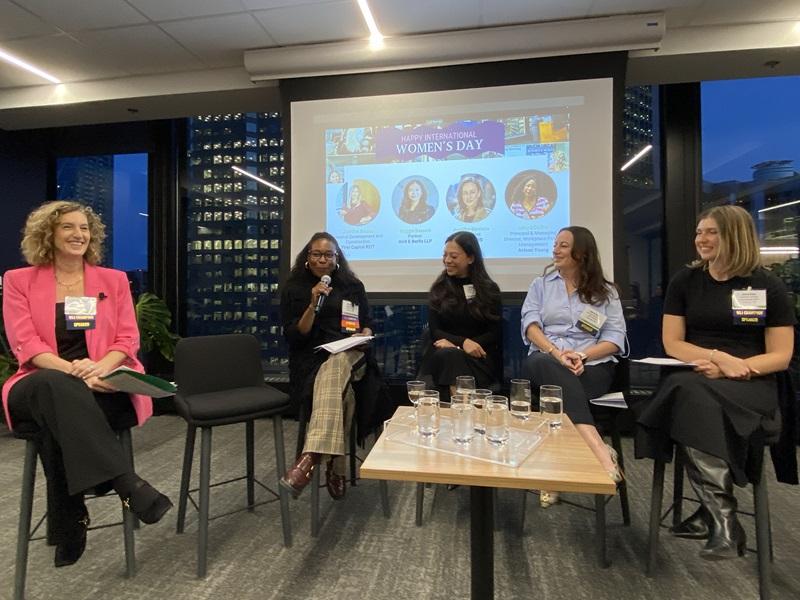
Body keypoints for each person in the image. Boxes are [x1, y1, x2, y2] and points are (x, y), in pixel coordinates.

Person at [1, 201, 172, 568]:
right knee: (55, 388)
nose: (79, 234)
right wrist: (74, 372)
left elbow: (127, 340)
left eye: (85, 228)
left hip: (103, 380)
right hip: (38, 380)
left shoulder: (111, 281)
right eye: (68, 227)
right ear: (48, 232)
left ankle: (71, 520)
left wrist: (99, 370)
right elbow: (26, 345)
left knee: (59, 421)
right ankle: (127, 484)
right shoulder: (19, 281)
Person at [636, 205, 794, 561]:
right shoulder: (686, 281)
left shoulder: (766, 285)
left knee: (685, 396)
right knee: (688, 389)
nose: (701, 240)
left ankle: (715, 515)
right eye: (698, 232)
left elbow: (781, 356)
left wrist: (736, 367)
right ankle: (723, 517)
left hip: (751, 380)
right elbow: (673, 343)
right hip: (698, 369)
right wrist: (717, 358)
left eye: (711, 232)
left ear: (734, 236)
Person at [521, 226, 626, 507]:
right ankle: (600, 450)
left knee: (557, 394)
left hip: (591, 364)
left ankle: (552, 476)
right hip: (546, 358)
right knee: (547, 367)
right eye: (555, 244)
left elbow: (615, 338)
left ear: (582, 253)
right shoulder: (540, 285)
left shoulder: (607, 292)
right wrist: (557, 353)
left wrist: (583, 356)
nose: (555, 250)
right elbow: (530, 326)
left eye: (563, 245)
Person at [279, 232, 389, 500]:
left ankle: (310, 456)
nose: (322, 260)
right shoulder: (294, 288)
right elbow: (296, 335)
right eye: (317, 254)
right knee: (342, 391)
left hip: (352, 354)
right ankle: (335, 466)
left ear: (337, 258)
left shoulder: (352, 285)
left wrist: (364, 332)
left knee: (338, 362)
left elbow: (367, 322)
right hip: (312, 359)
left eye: (329, 255)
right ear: (307, 257)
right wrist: (312, 304)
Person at [417, 231, 502, 397]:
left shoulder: (489, 290)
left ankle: (458, 408)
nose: (447, 260)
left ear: (470, 258)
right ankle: (462, 407)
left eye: (453, 256)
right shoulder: (439, 289)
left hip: (478, 357)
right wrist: (461, 344)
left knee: (452, 356)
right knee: (450, 355)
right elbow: (435, 332)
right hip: (442, 356)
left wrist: (468, 346)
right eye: (445, 255)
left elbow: (495, 332)